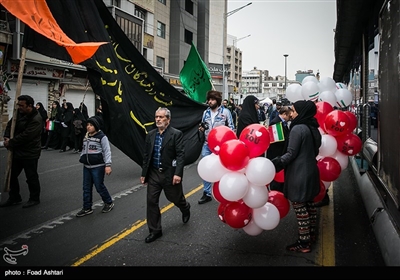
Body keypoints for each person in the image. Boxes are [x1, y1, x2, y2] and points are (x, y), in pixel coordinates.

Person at [271, 100, 322, 253]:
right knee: (310, 204)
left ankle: (304, 242)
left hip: (299, 174)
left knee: (300, 207)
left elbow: (290, 153)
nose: (291, 113)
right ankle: (311, 234)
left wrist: (276, 163)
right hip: (311, 170)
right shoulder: (313, 127)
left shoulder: (298, 128)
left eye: (293, 110)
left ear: (301, 112)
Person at [140, 107, 191, 243]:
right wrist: (144, 174)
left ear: (168, 119)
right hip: (154, 174)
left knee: (175, 198)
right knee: (151, 201)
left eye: (161, 117)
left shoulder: (176, 134)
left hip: (169, 173)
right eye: (156, 117)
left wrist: (178, 173)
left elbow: (180, 155)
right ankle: (155, 231)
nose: (158, 119)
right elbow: (146, 156)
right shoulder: (150, 135)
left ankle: (185, 207)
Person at [0, 95, 43, 208]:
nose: (19, 107)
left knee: (31, 176)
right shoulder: (19, 114)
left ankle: (34, 198)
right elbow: (10, 124)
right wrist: (6, 136)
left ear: (29, 106)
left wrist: (11, 142)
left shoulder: (36, 119)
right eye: (18, 105)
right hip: (17, 151)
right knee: (11, 175)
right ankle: (14, 197)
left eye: (21, 105)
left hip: (30, 152)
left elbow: (27, 136)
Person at [198, 90, 235, 204]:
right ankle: (207, 193)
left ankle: (225, 190)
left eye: (212, 99)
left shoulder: (226, 112)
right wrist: (202, 128)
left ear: (217, 101)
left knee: (224, 168)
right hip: (207, 144)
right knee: (206, 168)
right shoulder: (206, 113)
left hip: (222, 146)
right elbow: (203, 125)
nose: (210, 101)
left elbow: (232, 128)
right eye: (209, 99)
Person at [76, 116, 114, 217]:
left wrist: (108, 165)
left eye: (91, 125)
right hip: (87, 167)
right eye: (87, 125)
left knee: (99, 186)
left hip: (98, 166)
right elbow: (84, 149)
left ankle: (108, 202)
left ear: (96, 126)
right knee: (86, 187)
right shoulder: (86, 136)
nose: (88, 127)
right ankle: (87, 207)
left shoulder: (102, 137)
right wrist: (82, 157)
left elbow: (107, 151)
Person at [266, 106, 293, 192]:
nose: (290, 118)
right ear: (284, 114)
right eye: (289, 116)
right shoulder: (276, 123)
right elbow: (277, 142)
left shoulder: (281, 122)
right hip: (276, 155)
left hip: (280, 154)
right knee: (276, 177)